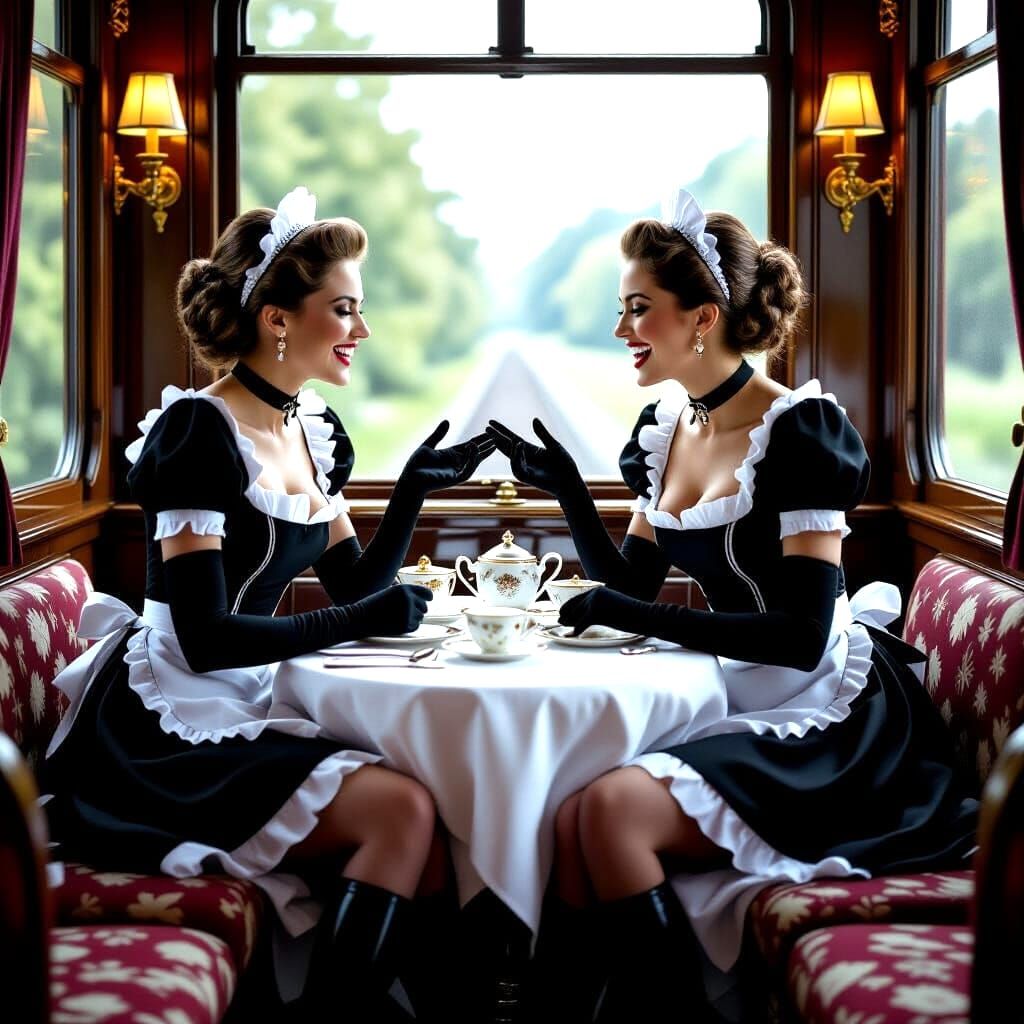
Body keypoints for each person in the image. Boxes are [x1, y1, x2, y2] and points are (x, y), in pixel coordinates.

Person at [487, 189, 978, 1022]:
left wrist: (631, 614)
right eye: (622, 310)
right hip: (738, 689)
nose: (622, 332)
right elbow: (633, 584)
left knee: (604, 815)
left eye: (639, 311)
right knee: (570, 822)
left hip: (824, 712)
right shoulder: (667, 427)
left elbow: (795, 635)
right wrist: (570, 490)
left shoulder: (803, 432)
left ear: (703, 316)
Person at [42, 186, 493, 1021]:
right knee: (402, 809)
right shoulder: (196, 435)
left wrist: (412, 498)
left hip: (243, 694)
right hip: (168, 720)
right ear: (279, 317)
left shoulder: (307, 429)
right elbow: (207, 637)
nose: (361, 331)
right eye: (345, 310)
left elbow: (357, 580)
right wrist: (362, 620)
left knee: (432, 831)